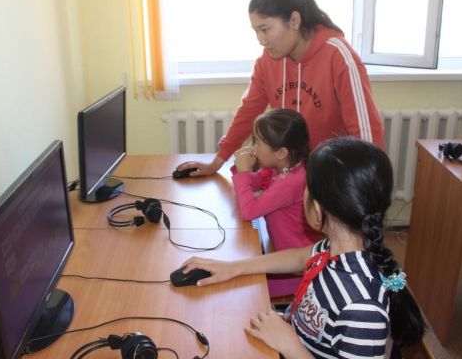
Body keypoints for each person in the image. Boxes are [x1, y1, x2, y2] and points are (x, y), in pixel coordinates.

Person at [180, 138, 426, 358]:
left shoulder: (362, 307)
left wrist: (290, 345)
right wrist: (234, 268)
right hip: (291, 334)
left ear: (316, 210)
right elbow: (301, 257)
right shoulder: (337, 248)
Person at [176, 0, 384, 177]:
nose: (261, 40)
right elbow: (248, 111)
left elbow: (366, 134)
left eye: (265, 29)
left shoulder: (339, 56)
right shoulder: (268, 60)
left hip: (330, 175)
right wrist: (217, 162)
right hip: (286, 173)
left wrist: (362, 186)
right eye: (256, 31)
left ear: (294, 21)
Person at [231, 108, 319, 298]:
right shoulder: (283, 169)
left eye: (257, 142)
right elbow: (254, 182)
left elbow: (249, 211)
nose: (253, 148)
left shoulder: (290, 182)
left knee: (243, 291)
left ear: (281, 153)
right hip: (281, 252)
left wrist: (243, 172)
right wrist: (241, 168)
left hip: (295, 270)